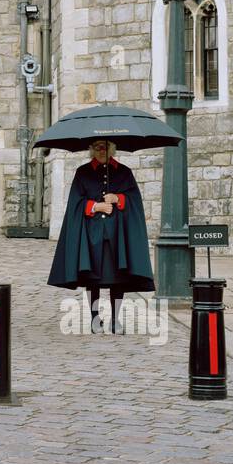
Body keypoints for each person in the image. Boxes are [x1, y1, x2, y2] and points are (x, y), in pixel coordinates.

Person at [47, 139, 155, 334]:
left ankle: (115, 319)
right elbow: (75, 203)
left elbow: (134, 200)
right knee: (93, 278)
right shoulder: (83, 173)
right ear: (91, 150)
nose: (101, 151)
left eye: (104, 148)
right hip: (92, 233)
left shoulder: (124, 172)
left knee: (117, 277)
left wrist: (118, 199)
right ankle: (95, 318)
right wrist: (95, 206)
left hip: (117, 235)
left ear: (111, 149)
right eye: (96, 148)